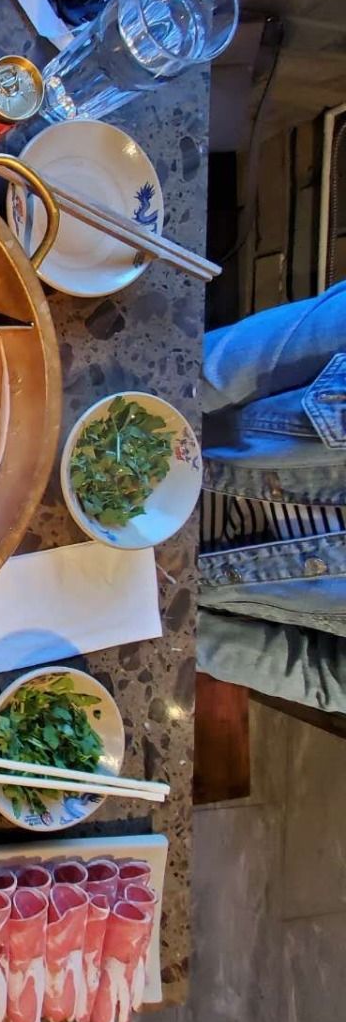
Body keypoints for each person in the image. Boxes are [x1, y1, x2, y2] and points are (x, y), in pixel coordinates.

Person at [198, 279, 346, 717]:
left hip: (174, 580)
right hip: (170, 444)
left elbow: (322, 675)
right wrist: (142, 421)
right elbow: (212, 372)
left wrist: (172, 621)